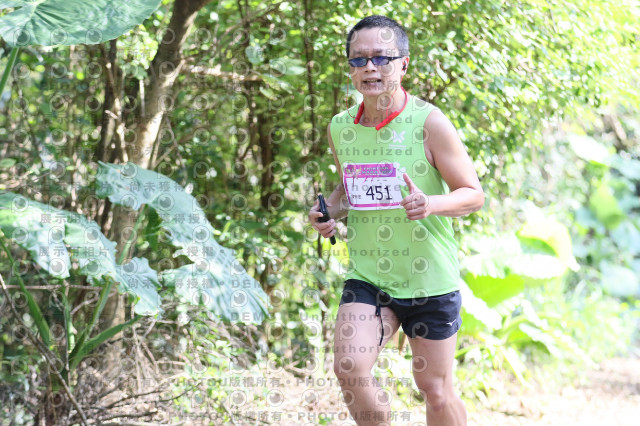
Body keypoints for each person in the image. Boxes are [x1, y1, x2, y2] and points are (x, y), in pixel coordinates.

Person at [308, 15, 485, 426]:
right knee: (349, 367)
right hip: (370, 275)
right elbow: (349, 191)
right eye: (359, 60)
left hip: (428, 277)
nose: (370, 68)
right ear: (350, 68)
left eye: (381, 58)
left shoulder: (429, 123)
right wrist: (327, 211)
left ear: (403, 64)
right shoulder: (340, 128)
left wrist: (430, 204)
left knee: (435, 391)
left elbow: (473, 194)